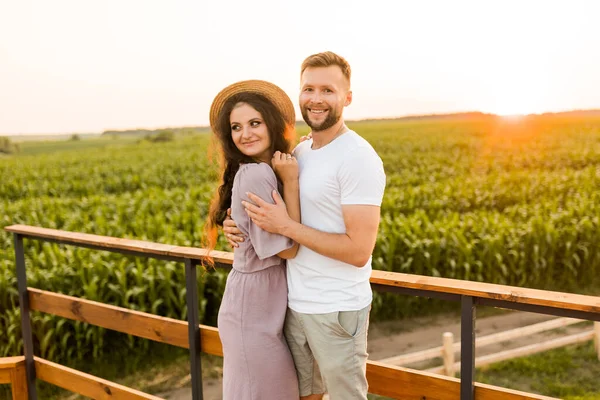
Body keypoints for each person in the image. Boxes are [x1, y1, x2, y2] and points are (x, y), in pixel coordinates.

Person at [224, 52, 386, 400]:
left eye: (328, 90)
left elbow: (359, 251)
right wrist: (235, 223)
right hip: (294, 305)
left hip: (336, 308)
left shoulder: (358, 157)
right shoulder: (300, 152)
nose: (316, 98)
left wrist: (287, 227)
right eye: (308, 88)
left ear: (347, 97)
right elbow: (271, 212)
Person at [206, 80, 301, 400]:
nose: (245, 133)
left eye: (254, 123)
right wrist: (291, 182)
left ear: (272, 125)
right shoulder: (258, 173)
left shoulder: (262, 169)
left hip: (254, 306)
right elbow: (288, 249)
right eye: (236, 127)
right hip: (252, 313)